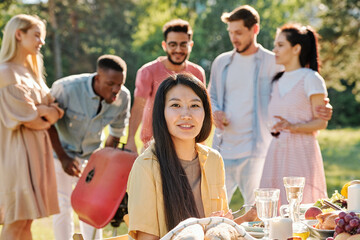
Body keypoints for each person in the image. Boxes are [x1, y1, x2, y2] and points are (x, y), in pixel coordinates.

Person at [208, 5, 332, 205]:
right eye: (230, 33)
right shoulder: (222, 63)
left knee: (266, 210)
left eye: (238, 32)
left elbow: (304, 85)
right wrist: (216, 112)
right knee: (213, 207)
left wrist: (324, 109)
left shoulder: (273, 63)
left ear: (254, 29)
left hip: (260, 151)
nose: (234, 38)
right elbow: (211, 95)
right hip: (226, 148)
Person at [49, 55, 131, 240]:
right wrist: (63, 157)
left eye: (120, 84)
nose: (116, 90)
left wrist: (104, 167)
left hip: (93, 156)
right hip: (59, 153)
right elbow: (48, 124)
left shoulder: (123, 96)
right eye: (111, 84)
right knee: (63, 205)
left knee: (92, 203)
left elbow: (116, 133)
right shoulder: (66, 88)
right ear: (97, 78)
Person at [0, 14, 64, 239]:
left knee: (26, 223)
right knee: (15, 221)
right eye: (37, 35)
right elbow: (31, 118)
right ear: (19, 34)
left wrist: (44, 111)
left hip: (36, 153)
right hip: (16, 156)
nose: (41, 42)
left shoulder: (30, 73)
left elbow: (54, 111)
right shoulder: (5, 72)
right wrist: (43, 112)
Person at [260, 24, 328, 205]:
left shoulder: (311, 79)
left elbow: (321, 122)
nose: (275, 50)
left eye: (280, 45)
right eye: (275, 45)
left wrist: (293, 127)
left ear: (296, 48)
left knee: (301, 206)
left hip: (301, 151)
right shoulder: (277, 81)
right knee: (274, 209)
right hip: (276, 151)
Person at [126, 19, 206, 153]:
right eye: (173, 45)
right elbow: (138, 106)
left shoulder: (197, 73)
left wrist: (202, 144)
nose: (178, 50)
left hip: (187, 145)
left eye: (183, 45)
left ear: (190, 45)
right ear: (164, 45)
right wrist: (130, 139)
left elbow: (201, 109)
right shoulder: (148, 71)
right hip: (154, 144)